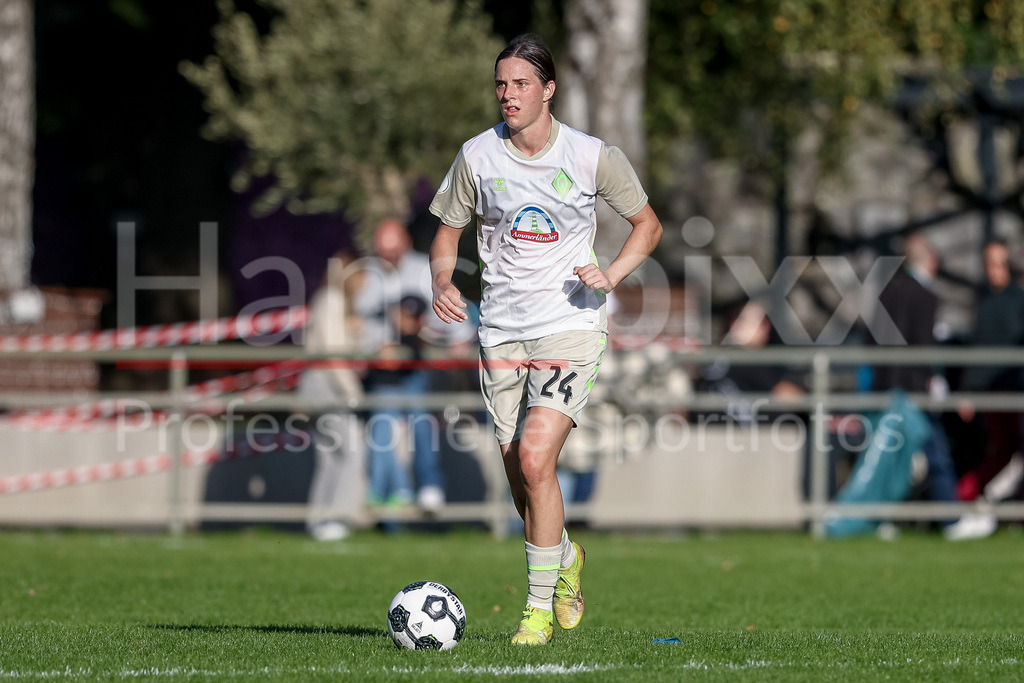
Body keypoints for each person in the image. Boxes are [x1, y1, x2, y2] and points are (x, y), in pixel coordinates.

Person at [428, 34, 663, 645]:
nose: (508, 95)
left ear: (548, 90)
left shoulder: (590, 156)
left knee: (536, 460)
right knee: (519, 477)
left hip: (571, 325)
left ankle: (535, 611)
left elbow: (648, 226)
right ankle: (565, 559)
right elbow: (447, 234)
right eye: (502, 85)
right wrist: (441, 281)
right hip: (501, 329)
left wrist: (609, 274)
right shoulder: (477, 156)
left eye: (521, 84)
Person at [355, 217, 457, 513]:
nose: (389, 258)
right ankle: (386, 497)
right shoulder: (369, 274)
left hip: (417, 365)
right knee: (382, 431)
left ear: (407, 244)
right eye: (383, 252)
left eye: (394, 251)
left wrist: (422, 334)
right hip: (382, 371)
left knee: (422, 424)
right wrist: (376, 346)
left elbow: (444, 317)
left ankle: (429, 485)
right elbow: (361, 320)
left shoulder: (423, 271)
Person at [869, 232, 959, 520]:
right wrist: (933, 379)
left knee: (886, 457)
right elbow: (924, 345)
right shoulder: (925, 296)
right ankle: (950, 518)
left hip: (885, 385)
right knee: (936, 452)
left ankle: (879, 518)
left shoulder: (887, 293)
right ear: (929, 259)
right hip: (914, 389)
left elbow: (872, 342)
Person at [946, 239, 1024, 539]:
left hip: (1014, 388)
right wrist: (968, 390)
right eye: (988, 263)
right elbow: (977, 347)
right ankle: (967, 497)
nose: (992, 270)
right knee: (1003, 450)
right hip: (993, 391)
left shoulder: (1018, 300)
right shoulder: (985, 302)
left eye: (998, 263)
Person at [298, 250, 366, 541]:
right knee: (352, 450)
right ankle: (336, 517)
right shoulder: (331, 300)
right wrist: (354, 395)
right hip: (326, 383)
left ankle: (319, 520)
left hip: (321, 382)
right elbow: (333, 354)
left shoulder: (333, 303)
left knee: (330, 456)